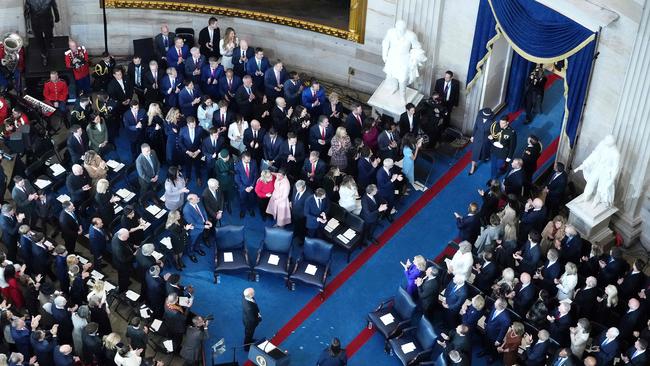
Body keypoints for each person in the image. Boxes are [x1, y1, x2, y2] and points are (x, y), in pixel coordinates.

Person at [182, 194, 212, 263]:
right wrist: (204, 226)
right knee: (191, 243)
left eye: (197, 197)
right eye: (196, 198)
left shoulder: (198, 201)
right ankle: (191, 253)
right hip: (194, 231)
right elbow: (192, 223)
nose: (199, 198)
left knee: (199, 239)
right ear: (191, 200)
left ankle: (197, 248)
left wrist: (206, 220)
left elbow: (203, 211)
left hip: (201, 227)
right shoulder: (186, 210)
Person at [469, 107, 494, 175]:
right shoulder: (479, 117)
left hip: (485, 139)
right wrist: (472, 136)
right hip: (477, 137)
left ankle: (484, 157)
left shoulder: (492, 122)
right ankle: (472, 167)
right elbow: (475, 127)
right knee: (475, 153)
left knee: (483, 151)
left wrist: (492, 139)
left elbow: (493, 132)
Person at [235, 152, 259, 218]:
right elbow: (237, 179)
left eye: (249, 159)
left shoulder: (253, 162)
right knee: (242, 200)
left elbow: (255, 175)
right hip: (242, 188)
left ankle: (251, 210)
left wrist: (252, 186)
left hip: (251, 186)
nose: (249, 161)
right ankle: (242, 210)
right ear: (243, 158)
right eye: (247, 160)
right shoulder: (237, 165)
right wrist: (244, 188)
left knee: (251, 199)